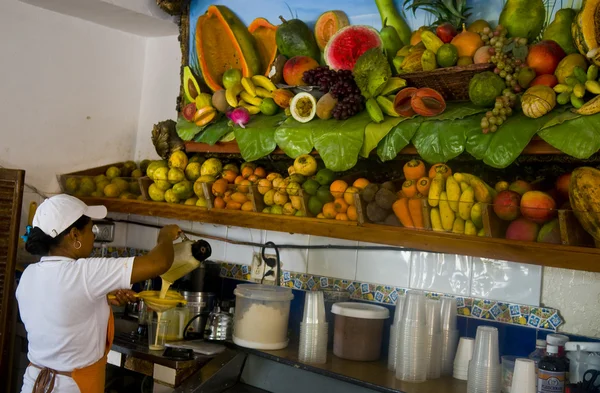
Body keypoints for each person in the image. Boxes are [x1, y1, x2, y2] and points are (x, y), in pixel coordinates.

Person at [16, 194, 181, 393]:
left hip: (34, 384)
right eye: (91, 229)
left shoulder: (29, 274)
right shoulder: (85, 273)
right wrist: (165, 236)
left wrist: (102, 298)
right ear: (75, 235)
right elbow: (159, 263)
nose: (94, 236)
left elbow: (63, 307)